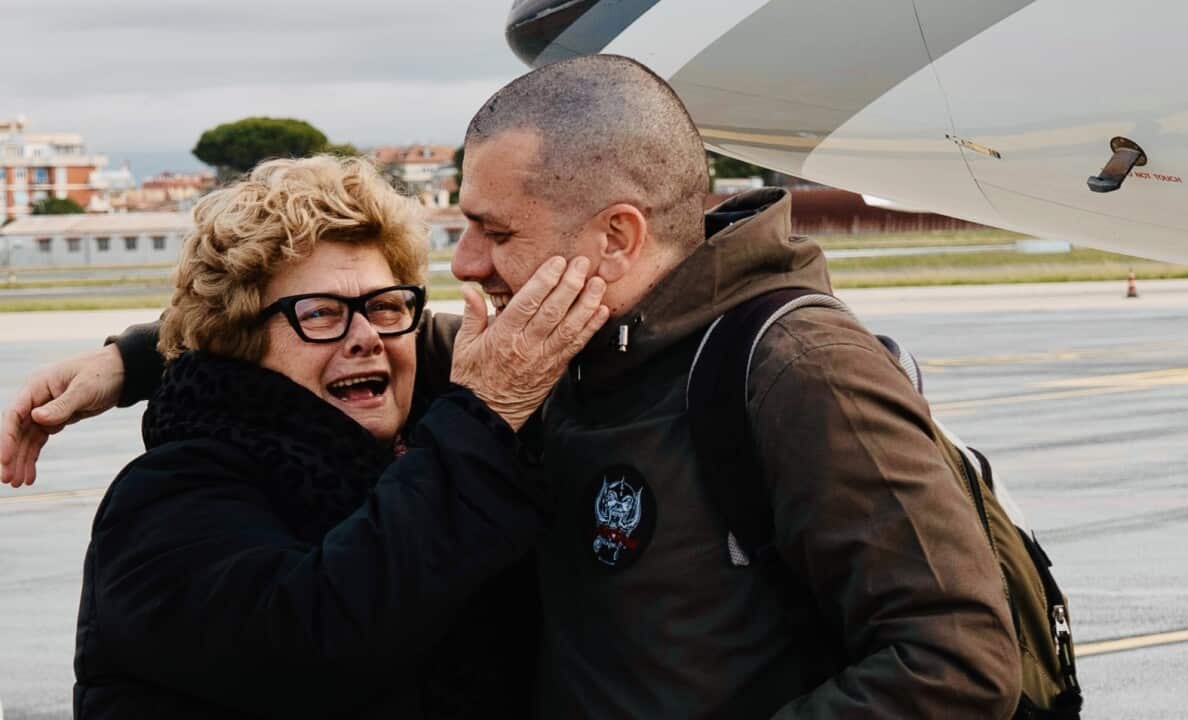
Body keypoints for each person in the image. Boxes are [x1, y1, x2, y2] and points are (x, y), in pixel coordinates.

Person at [3, 56, 1020, 718]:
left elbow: (957, 662)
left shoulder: (790, 367)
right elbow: (329, 343)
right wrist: (134, 359)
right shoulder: (556, 348)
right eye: (462, 234)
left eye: (493, 232)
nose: (471, 270)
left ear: (614, 236)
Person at [65, 155, 608, 718]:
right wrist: (483, 419)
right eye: (322, 313)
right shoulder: (164, 498)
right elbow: (315, 643)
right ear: (238, 339)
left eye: (384, 305)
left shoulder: (415, 438)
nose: (366, 337)